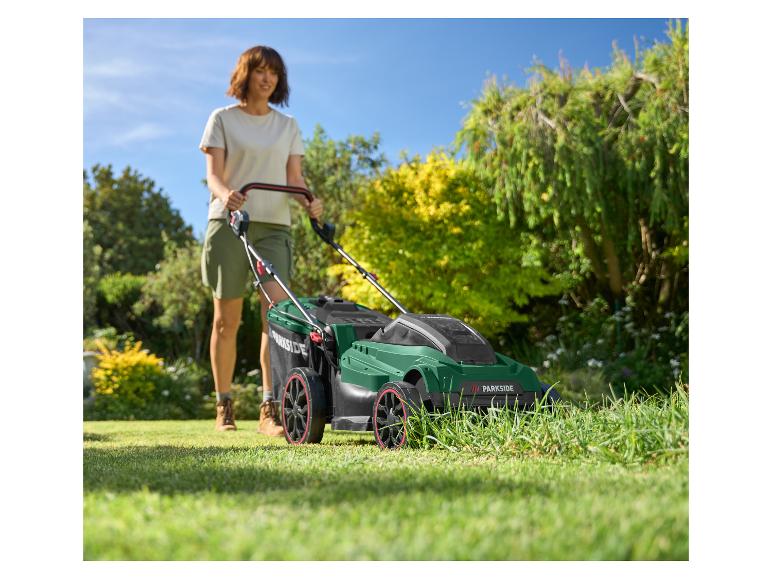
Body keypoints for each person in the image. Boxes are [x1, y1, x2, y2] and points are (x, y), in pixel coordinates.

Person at [199, 45, 323, 433]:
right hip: (230, 222)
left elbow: (294, 178)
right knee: (226, 321)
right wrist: (225, 195)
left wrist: (309, 200)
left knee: (277, 318)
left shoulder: (287, 126)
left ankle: (270, 408)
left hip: (274, 227)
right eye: (260, 71)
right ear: (246, 75)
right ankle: (224, 407)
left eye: (274, 72)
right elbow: (214, 175)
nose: (267, 78)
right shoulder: (222, 119)